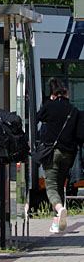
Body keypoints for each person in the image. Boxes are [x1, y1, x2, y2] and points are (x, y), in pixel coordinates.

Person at [35, 78, 78, 233]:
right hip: (68, 154)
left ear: (52, 93)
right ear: (65, 92)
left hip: (51, 152)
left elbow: (37, 117)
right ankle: (57, 223)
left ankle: (59, 210)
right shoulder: (73, 110)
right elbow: (79, 135)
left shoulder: (49, 106)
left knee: (51, 187)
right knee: (60, 186)